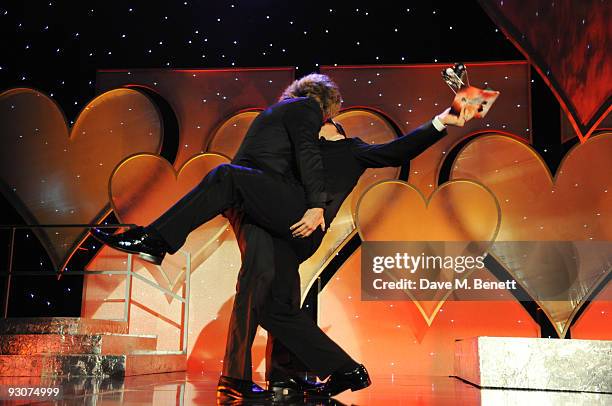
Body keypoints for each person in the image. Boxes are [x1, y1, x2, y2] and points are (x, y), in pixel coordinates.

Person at [92, 82, 476, 401]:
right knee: (275, 304)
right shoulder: (296, 143)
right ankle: (336, 371)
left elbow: (401, 148)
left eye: (331, 121)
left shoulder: (351, 148)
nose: (326, 124)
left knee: (227, 177)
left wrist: (447, 118)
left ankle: (157, 240)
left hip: (301, 220)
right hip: (277, 219)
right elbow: (276, 162)